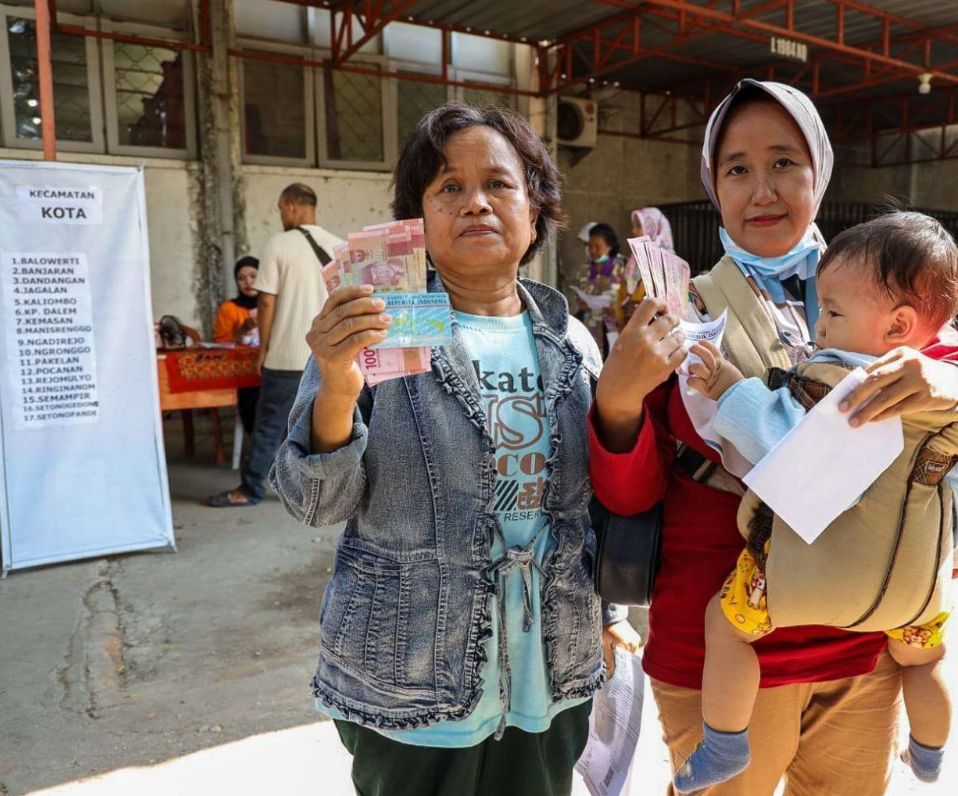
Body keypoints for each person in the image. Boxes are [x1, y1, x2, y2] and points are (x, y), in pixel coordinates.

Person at [588, 78, 958, 796]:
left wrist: (954, 381)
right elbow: (630, 494)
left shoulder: (889, 284)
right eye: (737, 168)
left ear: (818, 171)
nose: (762, 189)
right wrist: (617, 404)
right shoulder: (681, 311)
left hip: (864, 633)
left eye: (784, 162)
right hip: (725, 641)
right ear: (713, 184)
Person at [270, 103, 636, 795]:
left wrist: (610, 615)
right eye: (449, 187)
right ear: (417, 220)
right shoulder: (373, 333)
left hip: (550, 673)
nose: (476, 203)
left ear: (535, 208)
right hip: (410, 679)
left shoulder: (572, 342)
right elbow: (315, 503)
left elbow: (588, 509)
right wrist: (338, 387)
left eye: (498, 184)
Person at [673, 212, 958, 792]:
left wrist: (728, 387)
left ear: (897, 325)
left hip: (798, 581)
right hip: (912, 591)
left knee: (726, 630)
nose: (818, 326)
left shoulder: (838, 383)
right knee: (926, 661)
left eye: (832, 312)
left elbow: (778, 442)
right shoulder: (948, 392)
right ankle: (929, 752)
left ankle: (725, 743)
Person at [206, 183, 343, 507]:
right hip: (329, 355)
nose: (281, 215)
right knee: (327, 427)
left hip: (285, 357)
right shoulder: (339, 245)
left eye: (281, 209)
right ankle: (327, 493)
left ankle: (250, 490)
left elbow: (266, 302)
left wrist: (263, 349)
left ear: (291, 206)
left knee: (269, 426)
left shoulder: (278, 244)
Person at [212, 255, 262, 434]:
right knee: (250, 395)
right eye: (241, 278)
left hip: (272, 367)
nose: (248, 282)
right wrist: (240, 332)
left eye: (253, 276)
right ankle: (258, 440)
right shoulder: (229, 309)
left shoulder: (273, 305)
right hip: (243, 372)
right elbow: (221, 342)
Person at [617, 207, 675, 329]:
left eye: (638, 226)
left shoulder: (666, 262)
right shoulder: (634, 259)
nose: (633, 231)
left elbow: (669, 302)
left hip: (653, 328)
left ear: (653, 228)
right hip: (631, 325)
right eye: (633, 226)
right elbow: (623, 291)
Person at [575, 221, 626, 353]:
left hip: (615, 328)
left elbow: (630, 297)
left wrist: (617, 308)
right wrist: (581, 304)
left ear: (609, 246)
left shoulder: (623, 267)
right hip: (591, 328)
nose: (592, 250)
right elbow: (579, 293)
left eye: (597, 246)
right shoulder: (584, 269)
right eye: (590, 246)